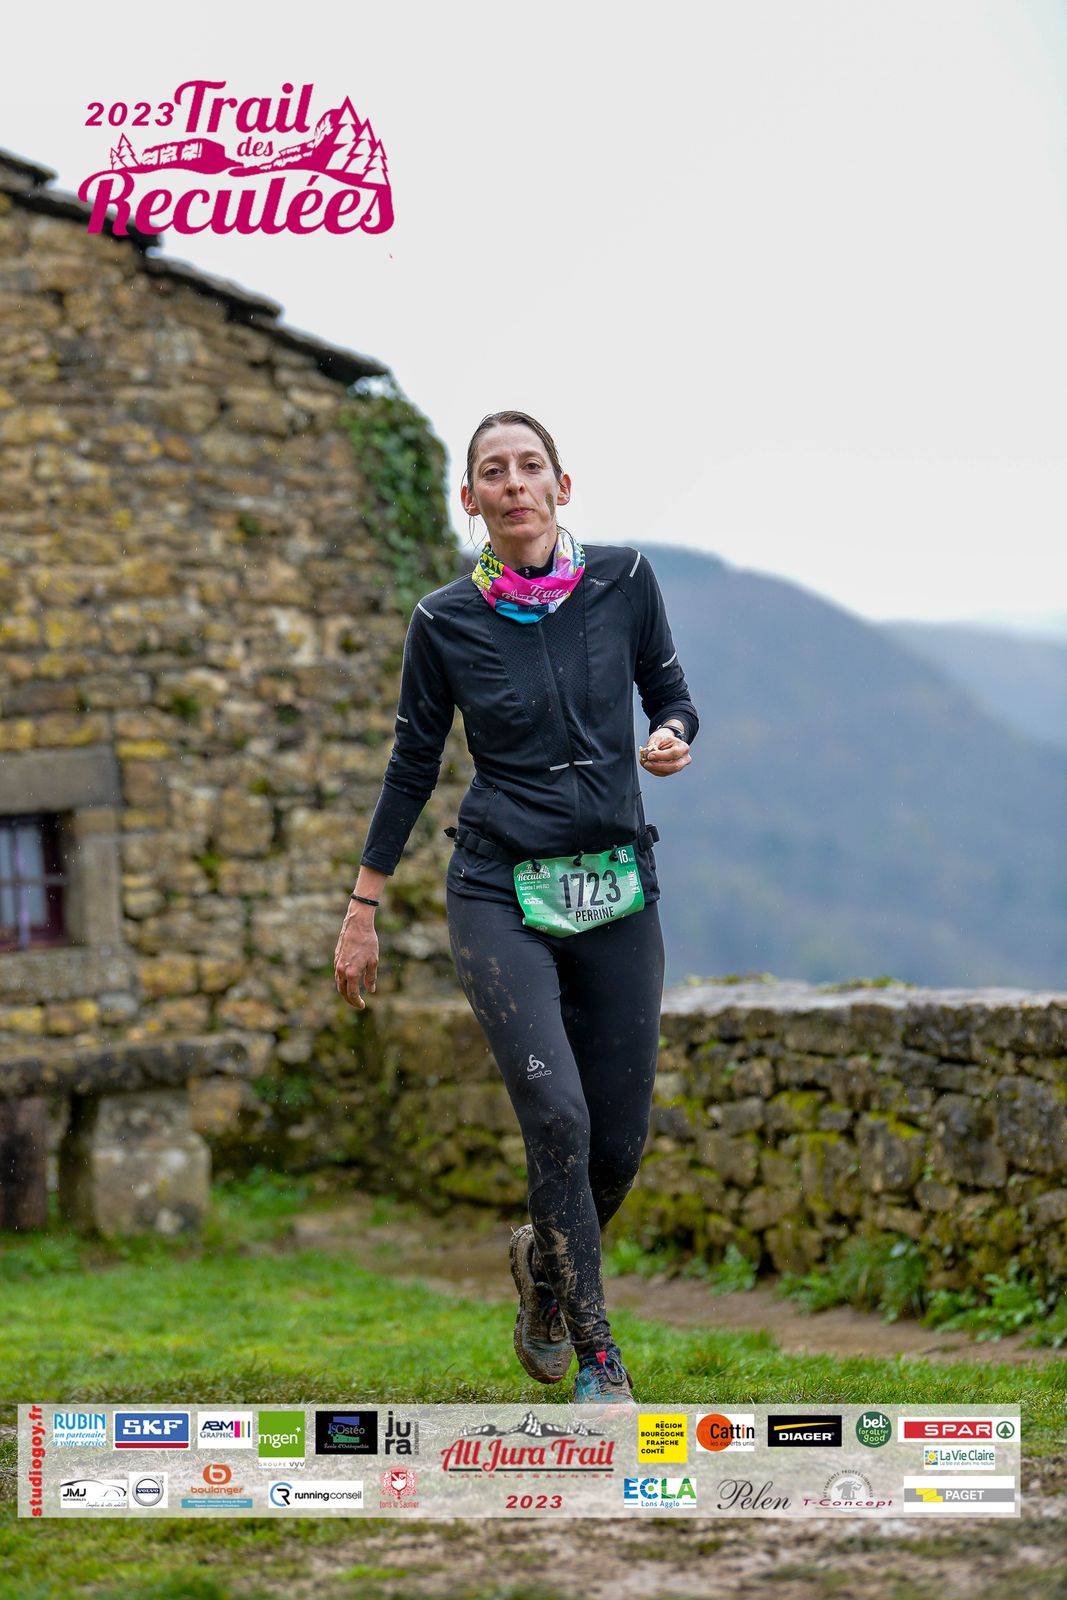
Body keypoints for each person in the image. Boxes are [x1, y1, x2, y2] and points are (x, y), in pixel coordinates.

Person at [334, 410, 698, 1404]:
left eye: (529, 466)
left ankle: (544, 1268)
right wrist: (362, 905)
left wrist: (671, 733)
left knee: (616, 1145)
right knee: (557, 1114)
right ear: (471, 500)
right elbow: (412, 763)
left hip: (615, 885)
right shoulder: (442, 620)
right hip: (501, 890)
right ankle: (597, 1356)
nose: (513, 484)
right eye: (492, 471)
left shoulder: (624, 581)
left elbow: (670, 692)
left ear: (560, 486)